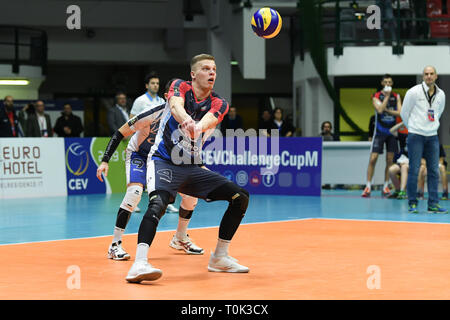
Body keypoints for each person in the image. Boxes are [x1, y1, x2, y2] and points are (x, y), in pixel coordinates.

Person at [124, 53, 250, 283]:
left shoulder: (219, 102)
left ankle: (219, 258)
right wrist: (186, 120)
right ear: (193, 74)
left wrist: (198, 127)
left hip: (192, 167)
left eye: (214, 69)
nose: (212, 72)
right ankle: (139, 263)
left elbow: (210, 119)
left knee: (240, 196)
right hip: (163, 161)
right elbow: (175, 105)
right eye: (205, 69)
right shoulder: (178, 85)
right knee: (158, 204)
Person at [96, 79, 204, 261]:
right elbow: (120, 132)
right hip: (140, 154)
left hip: (165, 159)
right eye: (175, 94)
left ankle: (180, 237)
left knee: (192, 195)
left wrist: (198, 165)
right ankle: (115, 245)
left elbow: (190, 146)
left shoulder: (187, 119)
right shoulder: (151, 114)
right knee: (135, 193)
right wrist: (105, 161)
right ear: (166, 97)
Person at [400, 66, 447, 213]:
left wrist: (430, 127)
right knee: (414, 169)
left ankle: (433, 203)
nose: (429, 76)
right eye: (426, 74)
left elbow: (438, 113)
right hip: (415, 136)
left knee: (433, 170)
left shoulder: (441, 94)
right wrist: (414, 128)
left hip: (432, 136)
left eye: (431, 74)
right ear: (423, 76)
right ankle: (412, 202)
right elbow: (404, 113)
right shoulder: (413, 92)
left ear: (436, 76)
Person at [129, 72, 178, 213]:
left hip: (157, 143)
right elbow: (131, 119)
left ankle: (166, 203)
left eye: (157, 83)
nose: (155, 85)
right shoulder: (140, 101)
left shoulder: (162, 102)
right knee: (137, 174)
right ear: (146, 85)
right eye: (152, 83)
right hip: (142, 141)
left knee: (160, 173)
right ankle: (132, 202)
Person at [362, 74, 402, 197]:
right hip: (379, 132)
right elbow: (379, 110)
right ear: (382, 83)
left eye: (389, 82)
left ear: (392, 83)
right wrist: (386, 97)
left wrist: (388, 110)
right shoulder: (376, 96)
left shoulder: (397, 96)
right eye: (385, 82)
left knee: (389, 160)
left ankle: (385, 186)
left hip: (391, 133)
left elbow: (399, 112)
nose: (387, 85)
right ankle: (368, 186)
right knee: (373, 158)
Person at [387, 122, 409, 199]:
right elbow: (391, 130)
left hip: (414, 162)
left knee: (404, 166)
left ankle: (403, 192)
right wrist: (403, 123)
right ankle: (397, 190)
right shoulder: (404, 136)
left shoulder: (419, 138)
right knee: (391, 170)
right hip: (402, 161)